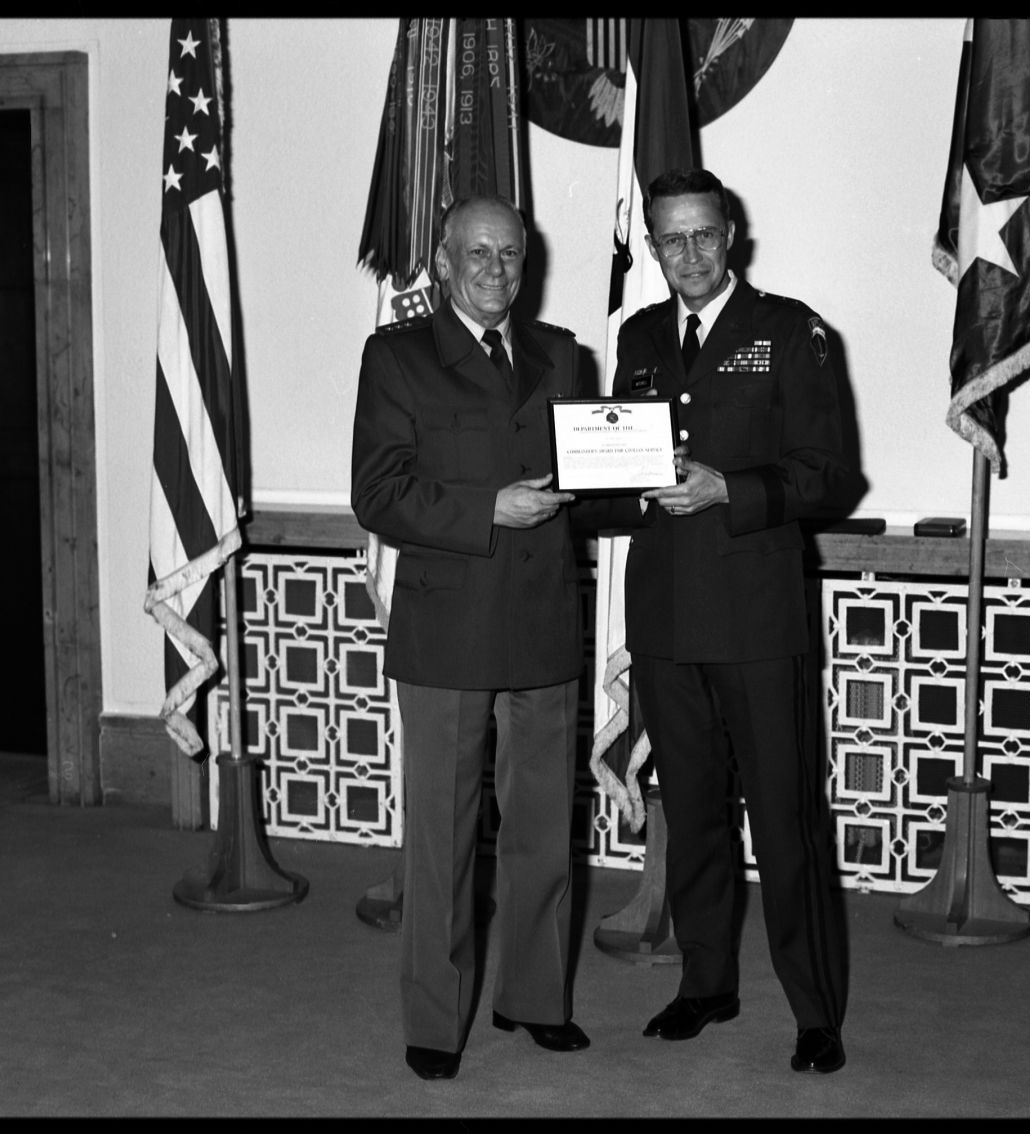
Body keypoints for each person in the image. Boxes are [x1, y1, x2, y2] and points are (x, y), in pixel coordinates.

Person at [585, 167, 851, 1074]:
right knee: (689, 813)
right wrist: (581, 485)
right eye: (670, 239)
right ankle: (706, 984)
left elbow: (828, 474)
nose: (687, 255)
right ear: (652, 244)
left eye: (703, 235)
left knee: (785, 823)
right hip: (665, 616)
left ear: (731, 233)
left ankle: (817, 1011)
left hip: (756, 618)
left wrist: (729, 490)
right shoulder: (640, 333)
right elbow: (624, 470)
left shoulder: (790, 331)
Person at [350, 195, 591, 1081]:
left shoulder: (562, 353)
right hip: (448, 629)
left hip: (541, 623)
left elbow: (585, 477)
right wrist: (487, 508)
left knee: (539, 831)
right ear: (445, 263)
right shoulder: (399, 356)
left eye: (513, 256)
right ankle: (433, 1018)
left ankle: (534, 1000)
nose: (497, 271)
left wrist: (644, 467)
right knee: (443, 838)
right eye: (479, 255)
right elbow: (377, 495)